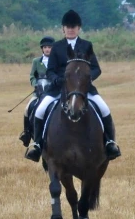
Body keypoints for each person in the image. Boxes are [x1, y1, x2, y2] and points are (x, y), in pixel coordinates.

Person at [25, 9, 121, 162]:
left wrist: (87, 79)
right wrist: (56, 79)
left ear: (79, 28)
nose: (70, 29)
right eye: (67, 27)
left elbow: (96, 68)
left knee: (104, 109)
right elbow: (50, 70)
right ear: (63, 28)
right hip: (59, 88)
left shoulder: (86, 45)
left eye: (73, 27)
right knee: (40, 110)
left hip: (83, 89)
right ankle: (37, 144)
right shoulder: (56, 46)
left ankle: (110, 143)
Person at [19, 36, 54, 146]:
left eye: (49, 47)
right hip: (39, 92)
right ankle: (27, 133)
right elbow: (32, 76)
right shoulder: (36, 61)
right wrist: (35, 85)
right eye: (45, 47)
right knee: (27, 109)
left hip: (53, 92)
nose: (47, 49)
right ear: (42, 49)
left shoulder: (57, 61)